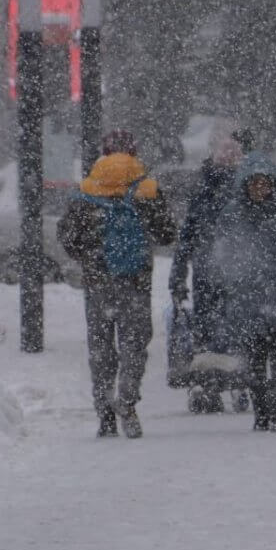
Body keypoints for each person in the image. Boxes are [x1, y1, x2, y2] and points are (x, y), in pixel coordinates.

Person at [57, 130, 177, 438]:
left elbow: (67, 236)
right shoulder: (146, 188)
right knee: (134, 346)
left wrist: (89, 255)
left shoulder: (88, 189)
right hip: (136, 280)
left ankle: (105, 415)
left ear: (104, 153)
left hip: (98, 282)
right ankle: (126, 400)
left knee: (101, 349)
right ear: (134, 152)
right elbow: (167, 233)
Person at [210, 152, 276, 432]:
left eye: (263, 184)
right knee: (255, 362)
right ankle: (262, 412)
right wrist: (224, 285)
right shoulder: (231, 215)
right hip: (248, 300)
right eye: (253, 184)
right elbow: (221, 254)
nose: (259, 189)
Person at [169, 121, 248, 413]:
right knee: (209, 328)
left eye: (233, 149)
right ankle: (213, 384)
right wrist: (177, 276)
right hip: (209, 272)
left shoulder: (244, 186)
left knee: (231, 327)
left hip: (235, 272)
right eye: (223, 149)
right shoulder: (206, 187)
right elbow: (187, 234)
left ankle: (228, 381)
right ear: (213, 151)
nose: (227, 154)